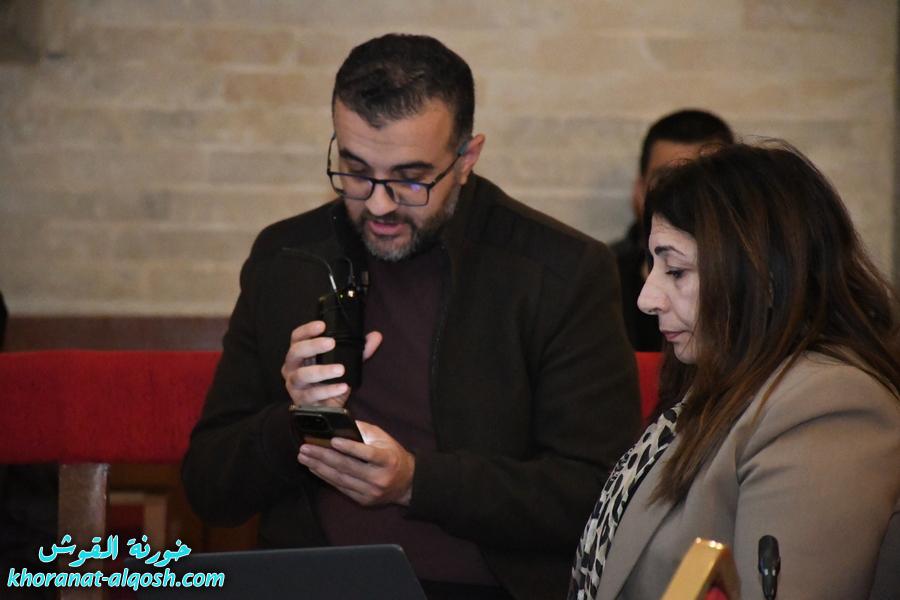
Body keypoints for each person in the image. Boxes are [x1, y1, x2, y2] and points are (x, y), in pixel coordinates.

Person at [182, 34, 641, 600]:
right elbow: (209, 488)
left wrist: (416, 483)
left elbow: (596, 495)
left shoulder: (559, 271)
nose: (378, 204)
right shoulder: (287, 259)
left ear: (466, 159)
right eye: (355, 170)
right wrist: (294, 421)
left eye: (410, 178)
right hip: (309, 584)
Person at [570, 142, 900, 599]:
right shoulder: (726, 374)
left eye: (676, 271)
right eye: (653, 266)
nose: (646, 299)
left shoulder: (828, 407)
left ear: (764, 276)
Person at [611, 109, 733, 351]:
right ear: (639, 191)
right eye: (667, 180)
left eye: (677, 271)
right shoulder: (600, 277)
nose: (683, 197)